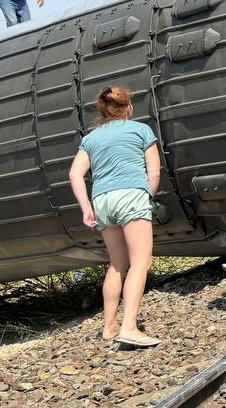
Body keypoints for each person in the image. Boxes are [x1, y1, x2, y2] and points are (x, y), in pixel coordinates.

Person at [68, 86, 162, 347]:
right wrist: (146, 196)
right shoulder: (141, 130)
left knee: (117, 264)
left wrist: (86, 207)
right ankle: (129, 327)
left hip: (102, 201)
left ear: (103, 110)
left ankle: (109, 327)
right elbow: (154, 173)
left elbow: (75, 174)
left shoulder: (91, 138)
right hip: (131, 194)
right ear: (128, 108)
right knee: (141, 262)